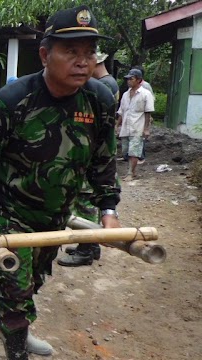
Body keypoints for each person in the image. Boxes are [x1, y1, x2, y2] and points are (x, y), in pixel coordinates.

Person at [0, 5, 121, 359]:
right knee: (14, 287)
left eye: (89, 52)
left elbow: (103, 159)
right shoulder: (11, 101)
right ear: (45, 55)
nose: (83, 61)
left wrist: (108, 209)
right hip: (9, 212)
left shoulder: (100, 100)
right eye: (71, 52)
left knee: (32, 282)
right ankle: (16, 346)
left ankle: (18, 327)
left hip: (55, 215)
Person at [58, 50, 120, 267]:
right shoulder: (101, 84)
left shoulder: (104, 89)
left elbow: (103, 135)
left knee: (84, 205)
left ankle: (87, 248)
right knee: (81, 205)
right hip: (83, 160)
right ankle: (89, 245)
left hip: (90, 162)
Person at [116, 68, 154, 181]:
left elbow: (148, 112)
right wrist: (117, 125)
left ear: (138, 80)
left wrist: (146, 128)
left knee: (134, 151)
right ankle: (132, 171)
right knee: (125, 151)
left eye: (131, 79)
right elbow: (121, 111)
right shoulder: (125, 95)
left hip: (138, 126)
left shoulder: (145, 94)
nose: (128, 81)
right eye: (127, 79)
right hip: (126, 126)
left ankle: (130, 173)